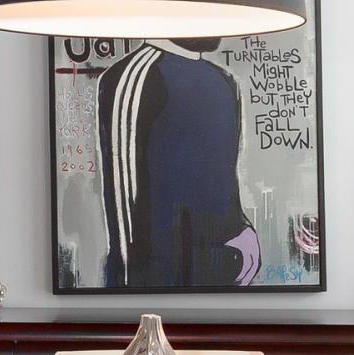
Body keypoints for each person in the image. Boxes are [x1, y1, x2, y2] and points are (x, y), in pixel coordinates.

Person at [93, 39, 262, 289]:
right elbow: (124, 214)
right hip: (158, 282)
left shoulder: (226, 82)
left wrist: (240, 228)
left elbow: (224, 175)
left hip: (219, 278)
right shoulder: (134, 76)